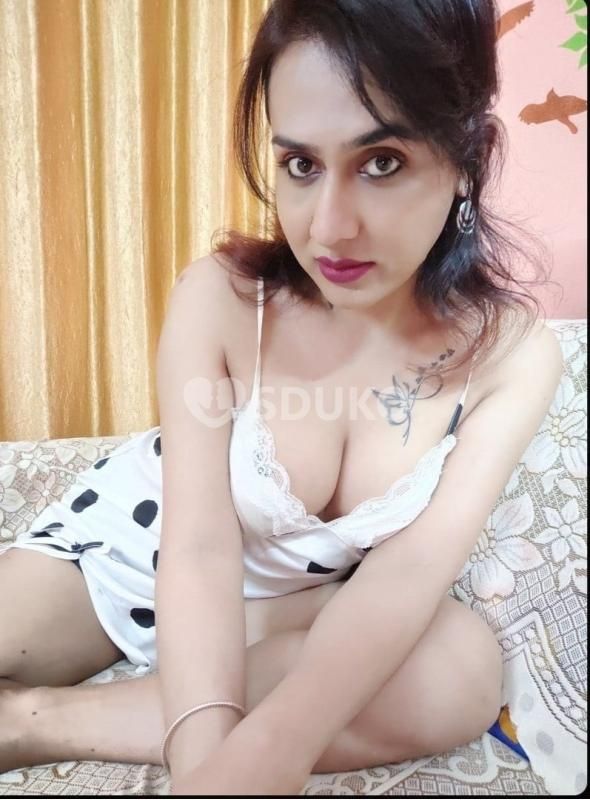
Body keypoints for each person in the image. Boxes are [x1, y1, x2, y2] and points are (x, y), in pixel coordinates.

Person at [0, 0, 563, 794]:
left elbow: (405, 575)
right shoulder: (224, 299)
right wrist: (202, 759)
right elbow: (197, 548)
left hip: (287, 609)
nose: (329, 227)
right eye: (301, 165)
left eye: (382, 162)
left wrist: (265, 758)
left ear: (469, 157)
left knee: (460, 671)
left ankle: (33, 722)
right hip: (131, 551)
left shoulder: (511, 357)